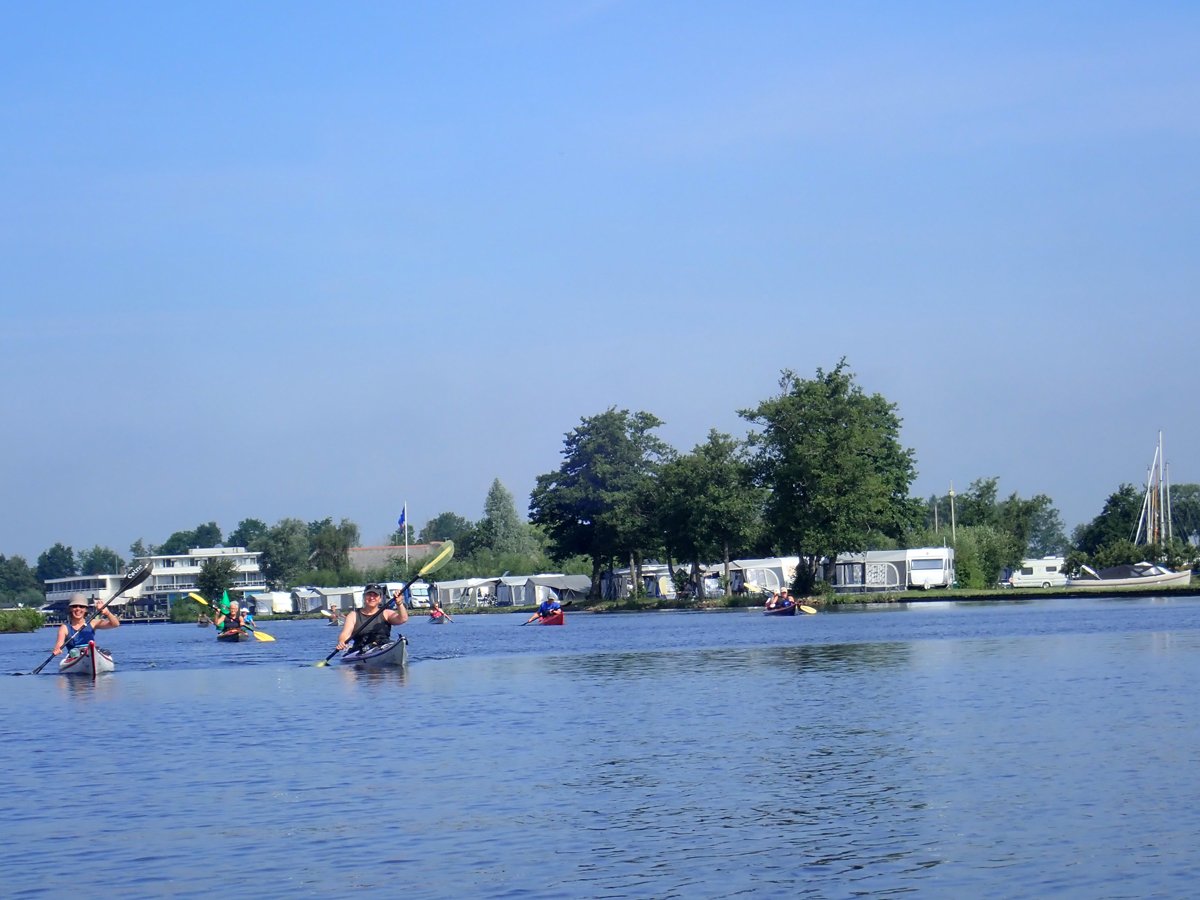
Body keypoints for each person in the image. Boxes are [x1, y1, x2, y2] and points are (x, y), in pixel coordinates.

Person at [336, 584, 408, 652]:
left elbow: (403, 619)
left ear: (380, 599)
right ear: (364, 597)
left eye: (375, 595)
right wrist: (342, 641)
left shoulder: (386, 613)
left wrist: (399, 603)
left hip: (383, 646)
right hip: (361, 649)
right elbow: (345, 634)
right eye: (369, 595)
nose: (372, 598)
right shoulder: (353, 615)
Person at [52, 593, 119, 657]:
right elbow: (59, 644)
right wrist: (57, 649)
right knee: (75, 653)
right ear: (70, 609)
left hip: (92, 652)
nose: (78, 609)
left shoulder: (92, 623)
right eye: (74, 606)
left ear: (86, 609)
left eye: (81, 606)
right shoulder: (64, 628)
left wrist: (107, 613)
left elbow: (115, 624)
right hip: (74, 655)